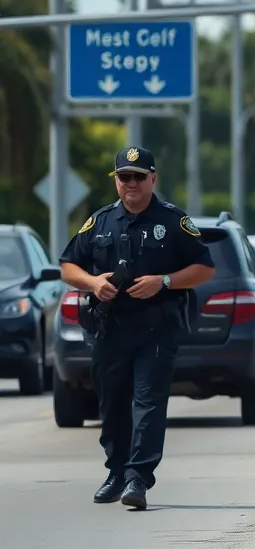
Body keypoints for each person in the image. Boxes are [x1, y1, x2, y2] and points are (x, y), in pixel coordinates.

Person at [58, 147, 216, 510]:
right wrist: (93, 283)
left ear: (152, 180)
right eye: (124, 177)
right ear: (116, 181)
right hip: (110, 328)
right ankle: (116, 472)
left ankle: (137, 478)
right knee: (112, 404)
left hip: (156, 329)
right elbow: (68, 266)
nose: (131, 184)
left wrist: (163, 281)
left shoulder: (173, 221)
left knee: (148, 402)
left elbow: (204, 269)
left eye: (138, 177)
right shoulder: (99, 222)